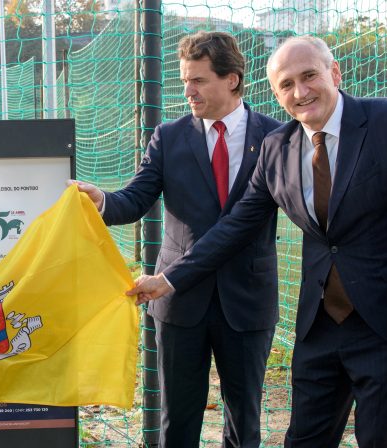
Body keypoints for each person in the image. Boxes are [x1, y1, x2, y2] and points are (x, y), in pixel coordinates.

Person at [129, 36, 387, 447]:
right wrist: (169, 280)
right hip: (318, 328)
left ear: (334, 73)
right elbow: (235, 226)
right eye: (286, 85)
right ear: (275, 93)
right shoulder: (277, 148)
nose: (300, 92)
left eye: (309, 77)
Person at [75, 31, 281, 447]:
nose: (188, 91)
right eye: (184, 80)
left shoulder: (276, 137)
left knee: (245, 419)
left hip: (247, 297)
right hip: (180, 302)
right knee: (179, 418)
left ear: (233, 79)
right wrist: (103, 201)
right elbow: (135, 199)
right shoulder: (169, 137)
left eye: (199, 80)